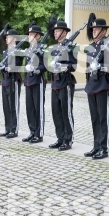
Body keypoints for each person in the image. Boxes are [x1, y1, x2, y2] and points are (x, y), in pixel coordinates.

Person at [83, 14, 109, 160]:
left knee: (103, 118)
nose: (94, 31)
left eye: (97, 29)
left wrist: (101, 66)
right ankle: (96, 145)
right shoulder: (91, 47)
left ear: (104, 31)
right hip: (92, 85)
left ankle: (104, 148)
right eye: (93, 29)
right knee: (95, 118)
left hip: (103, 85)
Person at [48, 19, 78, 151]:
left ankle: (68, 139)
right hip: (55, 82)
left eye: (58, 31)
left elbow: (74, 65)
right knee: (56, 112)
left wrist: (63, 66)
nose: (55, 33)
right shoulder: (55, 48)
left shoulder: (71, 46)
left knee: (66, 112)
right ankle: (60, 138)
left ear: (64, 32)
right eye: (54, 31)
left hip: (65, 82)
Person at [22, 22, 47, 144]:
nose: (30, 36)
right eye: (29, 34)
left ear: (38, 36)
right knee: (30, 108)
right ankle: (32, 131)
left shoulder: (42, 48)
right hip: (28, 81)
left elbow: (45, 66)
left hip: (38, 80)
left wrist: (36, 70)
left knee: (38, 108)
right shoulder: (28, 49)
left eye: (32, 34)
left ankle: (39, 133)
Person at [0, 27, 23, 138]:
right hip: (5, 80)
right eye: (6, 37)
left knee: (13, 105)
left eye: (9, 37)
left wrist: (7, 67)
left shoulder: (18, 51)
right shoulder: (5, 52)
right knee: (6, 106)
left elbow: (17, 66)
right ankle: (8, 128)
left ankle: (14, 129)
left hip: (13, 80)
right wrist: (1, 67)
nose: (6, 39)